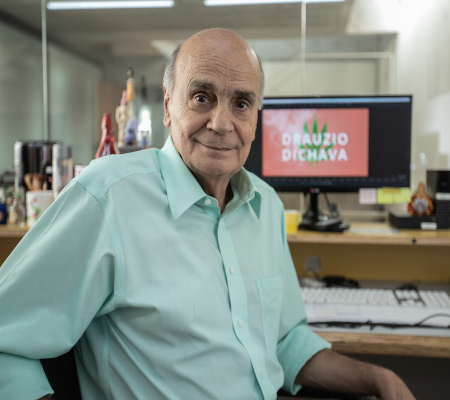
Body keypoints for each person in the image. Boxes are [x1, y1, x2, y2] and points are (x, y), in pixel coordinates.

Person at [0, 29, 415, 400]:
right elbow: (6, 338)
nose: (221, 123)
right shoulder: (108, 197)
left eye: (241, 103)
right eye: (202, 97)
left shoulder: (266, 206)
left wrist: (380, 379)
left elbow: (286, 343)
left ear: (256, 119)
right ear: (168, 106)